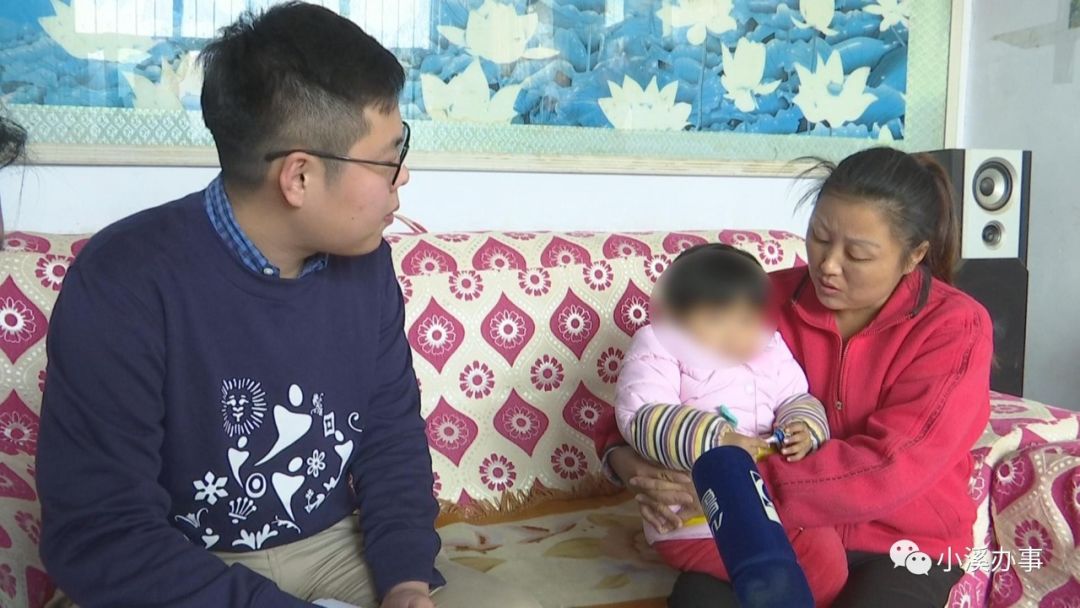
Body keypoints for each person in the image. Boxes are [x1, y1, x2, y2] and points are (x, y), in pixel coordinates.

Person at [36, 4, 540, 608]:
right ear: (298, 177)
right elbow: (103, 534)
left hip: (333, 550)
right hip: (177, 568)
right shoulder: (122, 280)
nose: (403, 176)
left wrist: (407, 581)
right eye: (388, 158)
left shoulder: (365, 263)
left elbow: (390, 438)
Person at [594, 147, 992, 607]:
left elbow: (893, 465)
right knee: (698, 600)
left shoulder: (954, 327)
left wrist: (739, 489)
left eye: (857, 254)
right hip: (772, 529)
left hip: (900, 541)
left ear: (913, 256)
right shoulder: (761, 299)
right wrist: (632, 465)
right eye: (819, 237)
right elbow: (647, 386)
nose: (828, 265)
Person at [614, 243, 845, 606]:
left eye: (748, 320)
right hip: (696, 519)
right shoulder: (660, 344)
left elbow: (796, 397)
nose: (738, 335)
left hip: (771, 506)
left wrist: (804, 426)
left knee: (827, 559)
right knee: (765, 570)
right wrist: (718, 441)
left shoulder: (770, 349)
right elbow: (642, 415)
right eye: (717, 319)